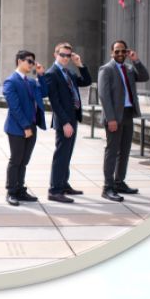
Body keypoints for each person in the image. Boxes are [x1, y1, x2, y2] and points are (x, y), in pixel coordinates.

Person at [96, 40, 149, 202]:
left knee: (124, 151)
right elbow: (104, 96)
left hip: (128, 114)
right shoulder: (106, 69)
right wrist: (111, 118)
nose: (120, 54)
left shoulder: (129, 69)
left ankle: (119, 182)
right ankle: (108, 187)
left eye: (123, 51)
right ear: (112, 53)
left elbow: (145, 77)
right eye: (117, 51)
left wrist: (136, 61)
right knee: (112, 152)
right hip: (114, 116)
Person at [41, 42, 92, 202]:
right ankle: (54, 190)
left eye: (68, 55)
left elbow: (86, 81)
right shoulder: (52, 73)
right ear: (55, 55)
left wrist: (80, 65)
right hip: (64, 121)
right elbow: (54, 102)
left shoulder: (69, 72)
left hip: (73, 118)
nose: (65, 58)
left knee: (67, 154)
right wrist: (65, 123)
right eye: (62, 55)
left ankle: (63, 184)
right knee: (61, 155)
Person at [0, 50, 47, 207]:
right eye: (29, 61)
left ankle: (20, 189)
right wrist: (25, 126)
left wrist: (41, 75)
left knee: (24, 161)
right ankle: (11, 192)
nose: (32, 64)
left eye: (33, 62)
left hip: (32, 127)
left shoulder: (32, 82)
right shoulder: (10, 82)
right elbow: (15, 107)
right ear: (19, 61)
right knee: (16, 160)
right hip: (17, 128)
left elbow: (44, 93)